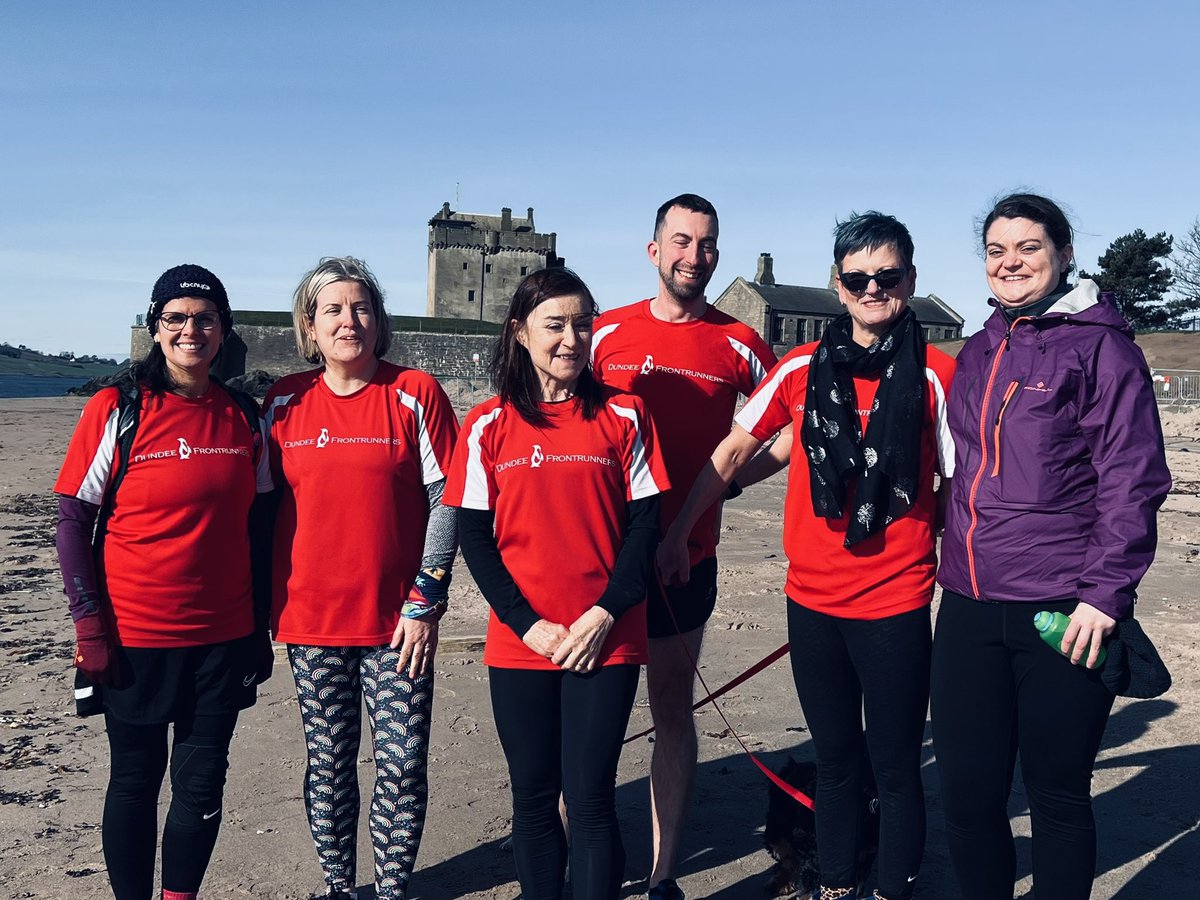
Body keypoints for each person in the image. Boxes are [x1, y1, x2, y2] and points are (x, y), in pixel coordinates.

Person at [659, 212, 954, 900]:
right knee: (836, 761)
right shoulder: (798, 368)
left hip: (896, 602)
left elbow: (965, 482)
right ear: (838, 284)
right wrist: (678, 532)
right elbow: (734, 450)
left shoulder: (938, 375)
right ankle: (839, 882)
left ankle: (890, 887)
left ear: (910, 279)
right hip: (814, 603)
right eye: (857, 278)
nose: (872, 288)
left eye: (887, 276)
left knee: (897, 763)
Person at [931, 193, 1172, 900]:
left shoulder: (1102, 347)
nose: (1011, 262)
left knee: (1057, 793)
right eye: (997, 249)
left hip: (1064, 609)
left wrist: (1105, 596)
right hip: (970, 603)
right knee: (970, 797)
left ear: (1064, 254)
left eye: (1029, 247)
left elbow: (1133, 479)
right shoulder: (979, 347)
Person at [443, 267, 669, 900]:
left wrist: (604, 613)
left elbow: (645, 529)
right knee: (535, 797)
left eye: (581, 323)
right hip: (523, 642)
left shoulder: (626, 414)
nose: (572, 338)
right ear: (520, 333)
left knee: (591, 795)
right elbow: (476, 541)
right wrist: (528, 625)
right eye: (555, 324)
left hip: (607, 636)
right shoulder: (488, 424)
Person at [54, 265, 274, 900]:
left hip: (223, 637)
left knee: (202, 784)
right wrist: (89, 627)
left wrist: (260, 628)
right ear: (155, 327)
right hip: (134, 636)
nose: (190, 330)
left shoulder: (242, 416)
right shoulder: (117, 409)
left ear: (223, 330)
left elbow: (259, 527)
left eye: (204, 318)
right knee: (135, 779)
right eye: (175, 318)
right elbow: (73, 519)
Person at [590, 193, 777, 899]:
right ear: (653, 250)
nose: (693, 256)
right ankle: (578, 860)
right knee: (590, 722)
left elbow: (785, 431)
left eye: (705, 245)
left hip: (686, 555)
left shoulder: (740, 344)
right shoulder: (604, 334)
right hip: (602, 560)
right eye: (680, 241)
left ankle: (665, 875)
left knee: (671, 711)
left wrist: (721, 488)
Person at [262, 257, 459, 900]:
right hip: (311, 621)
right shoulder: (283, 402)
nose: (350, 321)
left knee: (401, 767)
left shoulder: (414, 393)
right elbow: (257, 508)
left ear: (379, 322)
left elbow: (447, 498)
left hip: (397, 623)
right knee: (329, 766)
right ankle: (340, 887)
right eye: (333, 310)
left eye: (361, 308)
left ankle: (394, 886)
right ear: (309, 327)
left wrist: (426, 598)